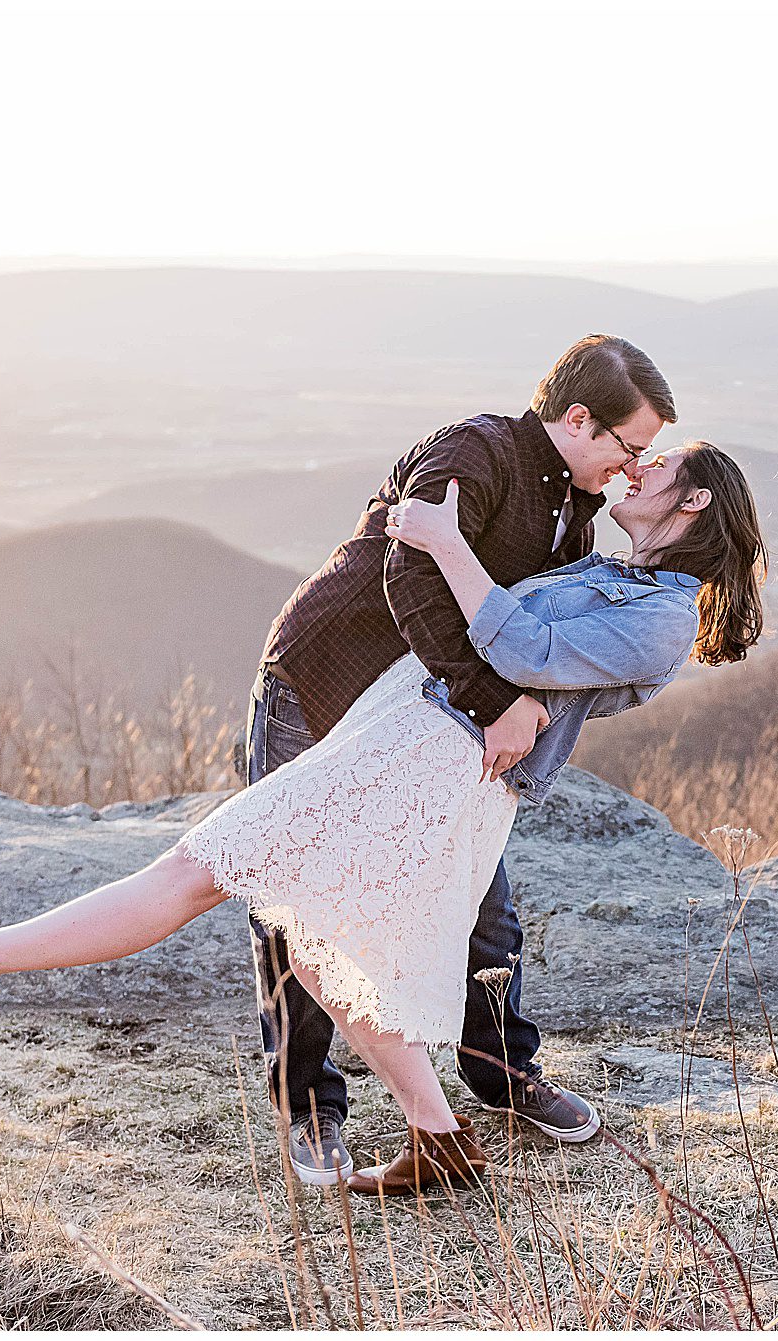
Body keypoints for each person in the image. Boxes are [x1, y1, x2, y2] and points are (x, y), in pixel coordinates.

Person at [0, 439, 768, 1196]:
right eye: (634, 451)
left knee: (209, 873)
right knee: (306, 936)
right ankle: (439, 1140)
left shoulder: (662, 616)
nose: (635, 471)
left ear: (691, 507)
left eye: (657, 466)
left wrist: (444, 541)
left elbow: (517, 641)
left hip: (430, 767)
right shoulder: (617, 571)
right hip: (405, 741)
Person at [241, 334, 676, 1185]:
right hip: (318, 689)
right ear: (578, 419)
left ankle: (505, 1075)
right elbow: (413, 579)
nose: (633, 469)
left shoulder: (575, 511)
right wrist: (494, 703)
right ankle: (311, 1108)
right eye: (629, 448)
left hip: (414, 725)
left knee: (483, 902)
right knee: (295, 905)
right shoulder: (473, 453)